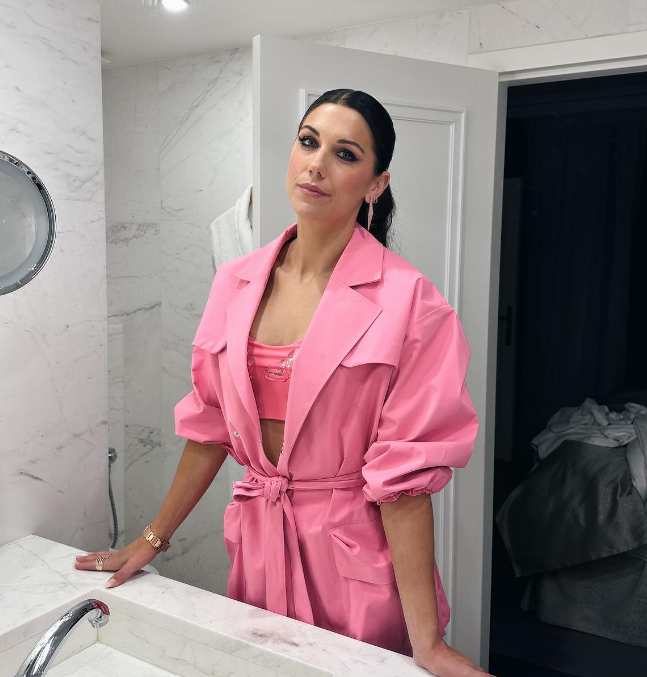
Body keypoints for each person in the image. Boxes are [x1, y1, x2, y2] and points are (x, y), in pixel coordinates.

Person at [75, 89, 492, 677]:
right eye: (308, 142)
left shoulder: (411, 302)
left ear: (376, 184)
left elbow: (404, 482)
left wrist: (428, 642)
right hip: (259, 548)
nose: (317, 164)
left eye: (345, 154)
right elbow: (210, 427)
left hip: (354, 562)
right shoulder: (235, 282)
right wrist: (152, 539)